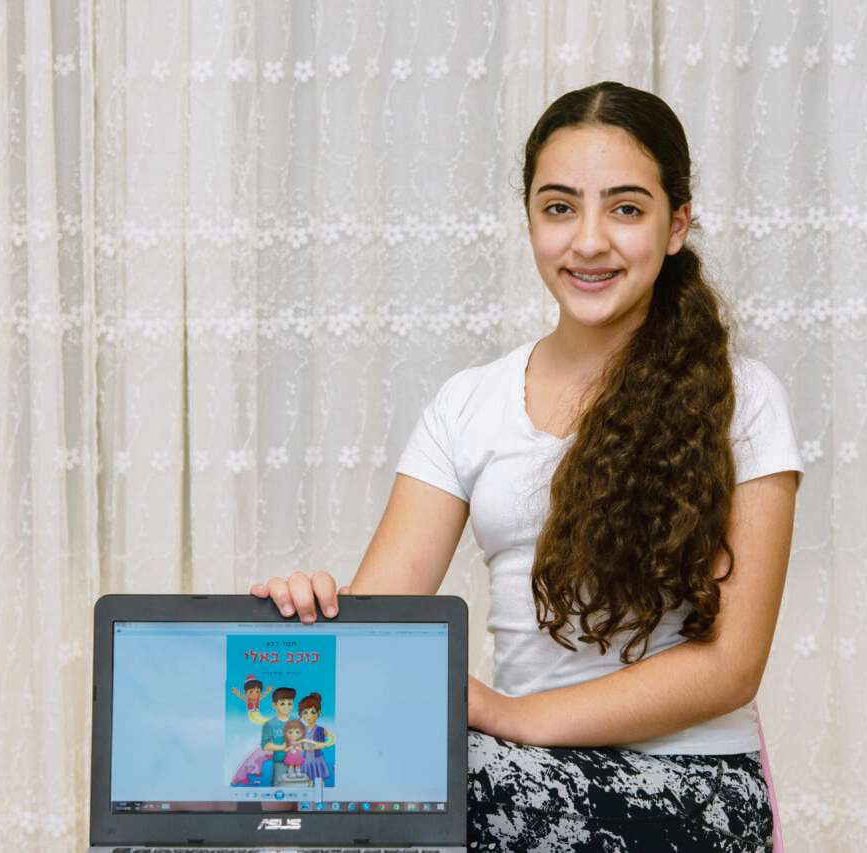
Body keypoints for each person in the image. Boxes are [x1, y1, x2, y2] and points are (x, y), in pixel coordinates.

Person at [250, 80, 801, 851]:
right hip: (508, 771)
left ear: (677, 225)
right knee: (242, 803)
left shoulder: (746, 398)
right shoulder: (468, 403)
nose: (589, 241)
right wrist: (312, 614)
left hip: (691, 783)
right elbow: (382, 632)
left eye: (626, 209)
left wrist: (514, 716)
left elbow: (731, 667)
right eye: (560, 207)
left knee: (422, 782)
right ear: (531, 221)